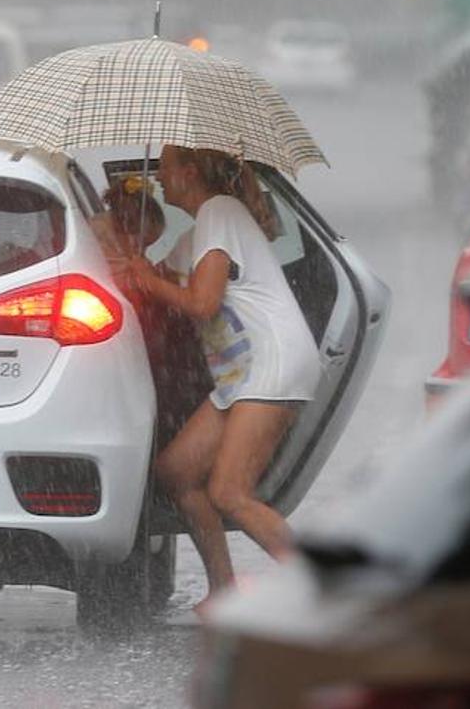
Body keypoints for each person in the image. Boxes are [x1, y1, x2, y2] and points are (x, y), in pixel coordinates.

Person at [124, 145, 322, 615]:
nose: (159, 179)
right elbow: (149, 275)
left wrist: (147, 281)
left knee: (230, 492)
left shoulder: (219, 210)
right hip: (240, 372)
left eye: (166, 168)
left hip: (271, 362)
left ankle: (327, 595)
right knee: (177, 472)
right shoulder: (200, 230)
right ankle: (223, 589)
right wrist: (129, 230)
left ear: (190, 172)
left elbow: (200, 302)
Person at [102, 176, 213, 448]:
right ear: (128, 233)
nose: (146, 252)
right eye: (145, 244)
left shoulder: (106, 240)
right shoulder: (109, 254)